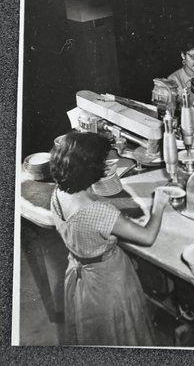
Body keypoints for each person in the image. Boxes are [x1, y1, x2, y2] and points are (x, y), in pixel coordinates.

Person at [49, 131, 170, 346]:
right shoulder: (98, 211)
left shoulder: (58, 193)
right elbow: (148, 237)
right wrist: (159, 205)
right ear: (92, 169)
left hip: (78, 277)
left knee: (96, 335)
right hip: (110, 283)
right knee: (123, 333)